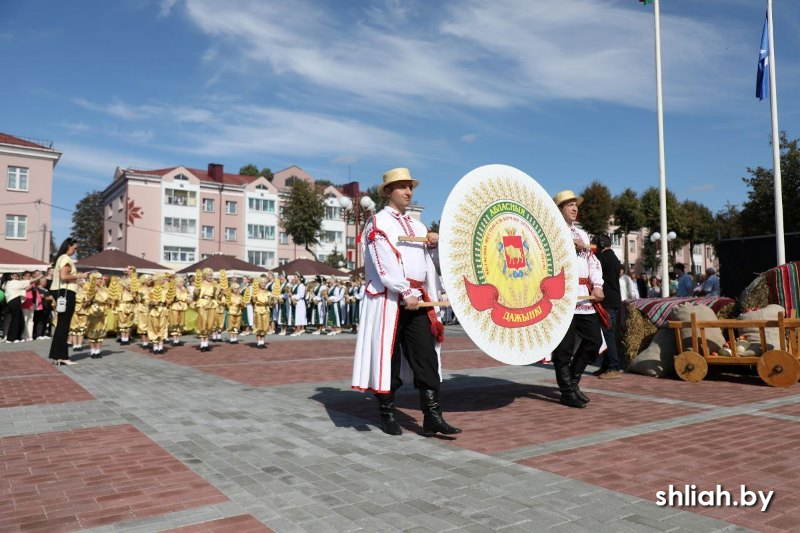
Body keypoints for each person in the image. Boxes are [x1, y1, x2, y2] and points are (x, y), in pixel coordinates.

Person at [352, 167, 459, 437]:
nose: (408, 192)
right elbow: (382, 260)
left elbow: (430, 265)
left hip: (417, 300)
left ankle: (432, 416)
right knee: (388, 356)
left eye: (410, 187)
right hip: (390, 299)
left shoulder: (418, 226)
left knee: (426, 356)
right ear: (388, 191)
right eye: (402, 187)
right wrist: (402, 290)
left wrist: (435, 246)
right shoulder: (377, 222)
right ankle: (387, 413)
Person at [549, 190, 604, 408]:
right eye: (569, 205)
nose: (575, 208)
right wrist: (568, 247)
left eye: (575, 205)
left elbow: (592, 261)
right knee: (564, 347)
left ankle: (572, 381)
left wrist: (598, 285)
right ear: (559, 209)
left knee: (593, 341)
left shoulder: (582, 234)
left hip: (583, 294)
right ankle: (566, 390)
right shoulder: (552, 233)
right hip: (562, 294)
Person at [49, 237, 87, 364]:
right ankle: (62, 357)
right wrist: (79, 275)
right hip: (66, 294)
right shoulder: (66, 258)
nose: (75, 250)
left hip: (61, 292)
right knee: (64, 326)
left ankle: (57, 356)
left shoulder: (60, 258)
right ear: (68, 246)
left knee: (61, 325)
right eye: (74, 248)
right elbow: (64, 276)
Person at [592, 234, 622, 380]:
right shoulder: (613, 258)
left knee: (608, 334)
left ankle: (613, 367)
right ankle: (606, 365)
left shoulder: (603, 258)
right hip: (614, 300)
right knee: (607, 334)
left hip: (607, 302)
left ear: (601, 245)